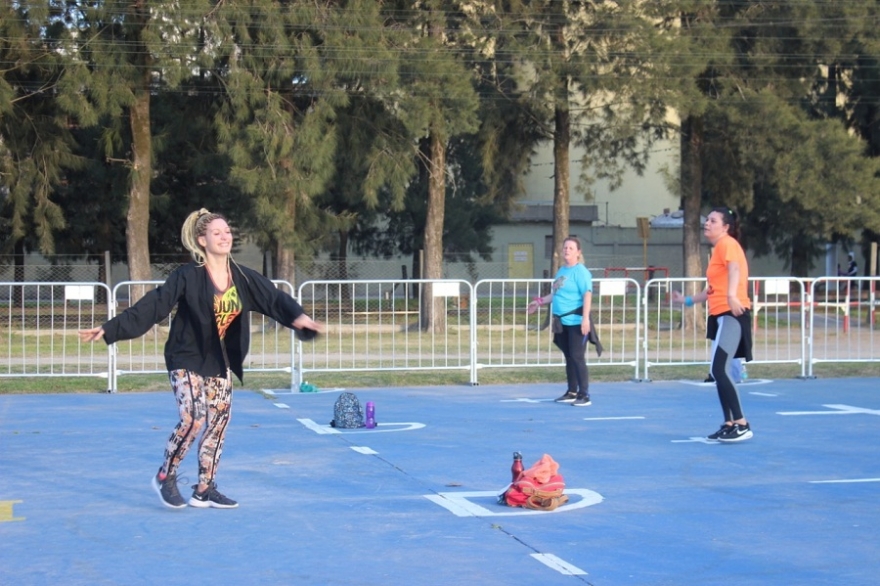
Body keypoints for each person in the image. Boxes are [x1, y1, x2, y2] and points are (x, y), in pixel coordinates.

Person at [79, 209, 324, 509]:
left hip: (219, 360)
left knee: (219, 421)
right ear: (201, 240)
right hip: (185, 356)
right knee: (194, 417)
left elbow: (274, 299)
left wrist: (301, 319)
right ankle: (165, 475)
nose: (224, 237)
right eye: (217, 233)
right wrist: (109, 328)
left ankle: (205, 488)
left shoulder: (243, 277)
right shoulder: (188, 276)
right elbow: (153, 306)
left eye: (227, 231)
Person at [671, 207, 753, 442]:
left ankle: (742, 424)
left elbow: (736, 268)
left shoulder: (727, 243)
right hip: (719, 315)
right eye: (707, 220)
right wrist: (686, 300)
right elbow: (710, 291)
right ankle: (729, 423)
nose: (707, 223)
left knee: (719, 369)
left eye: (713, 221)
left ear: (725, 227)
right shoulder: (718, 250)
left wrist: (732, 296)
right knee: (719, 372)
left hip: (732, 314)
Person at [527, 236, 595, 407]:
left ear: (578, 253)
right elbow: (555, 294)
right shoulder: (561, 271)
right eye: (565, 247)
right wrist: (539, 302)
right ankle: (572, 391)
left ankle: (584, 394)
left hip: (576, 320)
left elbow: (587, 294)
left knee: (577, 357)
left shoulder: (581, 272)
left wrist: (585, 318)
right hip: (561, 322)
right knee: (569, 356)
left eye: (571, 248)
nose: (567, 250)